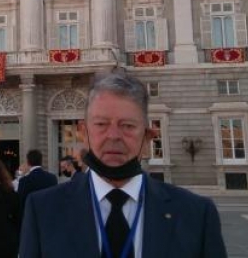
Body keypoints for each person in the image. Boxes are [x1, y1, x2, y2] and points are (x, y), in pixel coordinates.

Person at [20, 73, 227, 258]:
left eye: (127, 126)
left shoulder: (196, 214)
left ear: (147, 137)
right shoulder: (43, 210)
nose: (113, 136)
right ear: (83, 133)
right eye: (101, 124)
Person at [17, 149, 57, 223]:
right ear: (41, 161)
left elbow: (21, 202)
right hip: (48, 216)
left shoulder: (24, 181)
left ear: (28, 162)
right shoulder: (52, 178)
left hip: (31, 218)